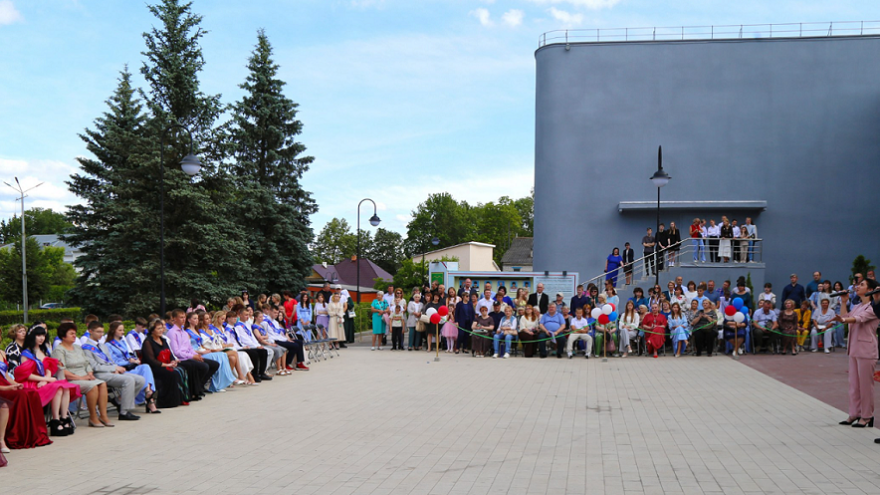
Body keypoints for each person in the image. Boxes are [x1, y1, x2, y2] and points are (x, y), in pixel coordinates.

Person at [834, 278, 880, 429]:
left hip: (866, 350)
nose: (857, 287)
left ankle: (867, 416)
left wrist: (845, 320)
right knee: (854, 385)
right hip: (854, 349)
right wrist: (843, 302)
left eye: (862, 284)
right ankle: (854, 413)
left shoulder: (873, 307)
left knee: (866, 386)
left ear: (870, 290)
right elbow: (845, 317)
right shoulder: (857, 305)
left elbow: (859, 319)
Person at [83, 322, 152, 419]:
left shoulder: (102, 346)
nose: (101, 334)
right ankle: (124, 412)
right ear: (90, 331)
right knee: (129, 380)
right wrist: (114, 368)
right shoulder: (86, 348)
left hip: (111, 371)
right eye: (98, 332)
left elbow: (110, 361)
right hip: (100, 374)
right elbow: (94, 367)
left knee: (140, 380)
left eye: (102, 332)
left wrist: (116, 368)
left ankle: (120, 401)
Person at [51, 323, 113, 428]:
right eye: (71, 334)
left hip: (85, 376)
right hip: (71, 379)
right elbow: (62, 371)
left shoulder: (77, 347)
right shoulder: (59, 350)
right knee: (92, 386)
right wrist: (81, 378)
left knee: (102, 384)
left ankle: (103, 415)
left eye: (75, 333)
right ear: (63, 336)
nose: (74, 336)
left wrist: (90, 373)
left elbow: (87, 363)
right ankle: (93, 417)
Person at [0, 349, 53, 450]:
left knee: (31, 393)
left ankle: (33, 435)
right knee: (21, 395)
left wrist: (16, 384)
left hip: (6, 385)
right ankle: (16, 436)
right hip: (2, 389)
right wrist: (8, 388)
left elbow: (6, 377)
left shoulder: (2, 353)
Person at [167, 310, 218, 399]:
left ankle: (200, 386)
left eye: (184, 317)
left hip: (188, 356)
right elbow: (176, 352)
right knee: (203, 366)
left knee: (214, 364)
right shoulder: (172, 332)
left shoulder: (184, 332)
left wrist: (196, 355)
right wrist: (192, 356)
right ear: (174, 319)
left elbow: (190, 348)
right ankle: (195, 390)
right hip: (181, 358)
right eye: (181, 317)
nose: (183, 319)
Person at [229, 307, 271, 381]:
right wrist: (255, 346)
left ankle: (262, 373)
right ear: (240, 315)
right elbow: (244, 339)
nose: (247, 316)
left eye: (248, 315)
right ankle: (255, 374)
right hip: (245, 345)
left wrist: (258, 345)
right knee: (254, 353)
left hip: (252, 345)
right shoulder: (238, 326)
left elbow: (252, 337)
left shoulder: (248, 324)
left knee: (264, 351)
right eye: (245, 315)